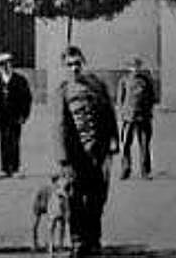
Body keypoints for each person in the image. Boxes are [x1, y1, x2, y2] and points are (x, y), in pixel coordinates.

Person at [54, 45, 119, 258]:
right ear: (64, 67)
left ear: (83, 63)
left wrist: (113, 142)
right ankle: (78, 241)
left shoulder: (97, 86)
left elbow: (109, 113)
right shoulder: (62, 91)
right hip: (75, 156)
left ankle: (94, 239)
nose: (74, 68)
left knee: (97, 197)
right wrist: (64, 160)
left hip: (98, 152)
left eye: (77, 64)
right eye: (69, 65)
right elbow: (59, 126)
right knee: (75, 200)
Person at [0, 51, 32, 178]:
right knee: (3, 142)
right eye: (1, 66)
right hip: (1, 117)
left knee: (14, 141)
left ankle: (15, 168)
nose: (4, 68)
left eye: (6, 65)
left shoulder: (20, 80)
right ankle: (5, 169)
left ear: (10, 65)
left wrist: (24, 115)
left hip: (15, 116)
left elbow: (27, 98)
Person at [117, 55, 156, 180]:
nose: (136, 69)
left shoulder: (146, 80)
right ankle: (125, 170)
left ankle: (145, 172)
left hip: (144, 117)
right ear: (129, 68)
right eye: (133, 66)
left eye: (138, 66)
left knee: (144, 145)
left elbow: (151, 97)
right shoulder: (124, 80)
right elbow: (120, 99)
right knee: (126, 145)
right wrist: (123, 114)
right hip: (129, 118)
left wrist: (149, 112)